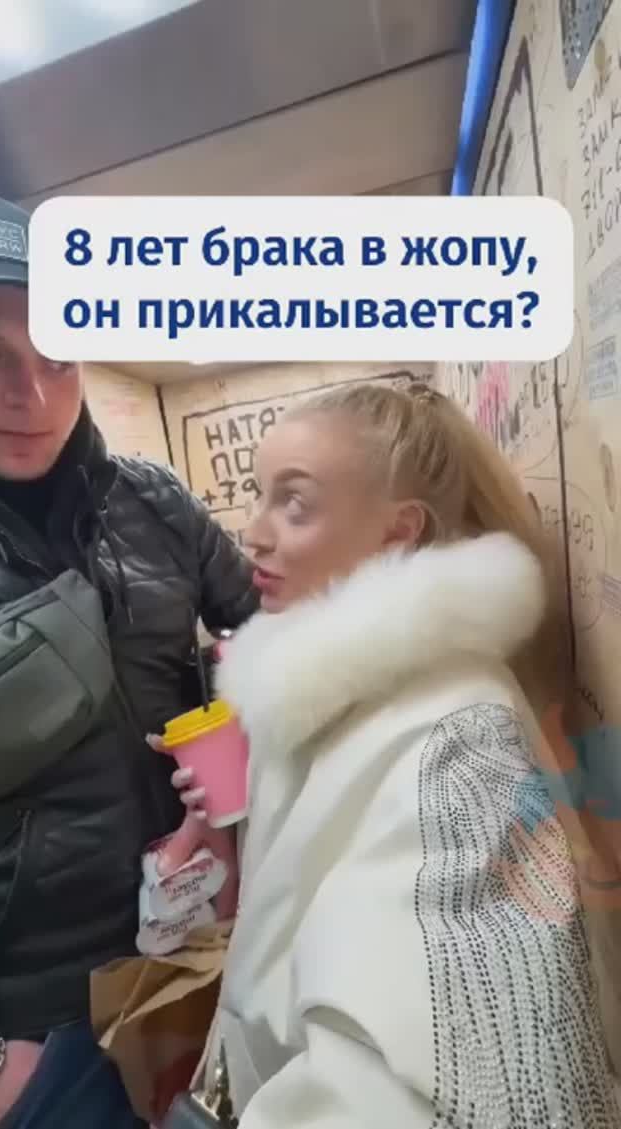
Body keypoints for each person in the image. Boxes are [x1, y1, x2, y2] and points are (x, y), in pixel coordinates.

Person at [194, 381, 620, 1127]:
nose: (252, 534)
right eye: (259, 496)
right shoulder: (335, 696)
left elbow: (456, 1091)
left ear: (399, 532)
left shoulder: (460, 745)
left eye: (294, 504)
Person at [0, 195, 258, 1126]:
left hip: (199, 953)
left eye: (58, 356)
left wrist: (236, 743)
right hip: (34, 1032)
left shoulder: (156, 504)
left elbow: (269, 633)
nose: (32, 395)